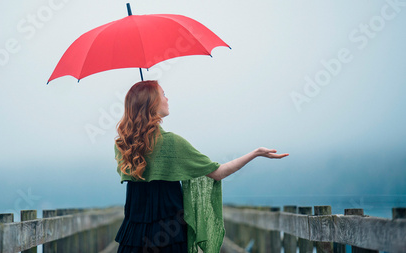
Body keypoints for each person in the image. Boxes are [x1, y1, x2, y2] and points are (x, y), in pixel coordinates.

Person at [114, 80, 288, 253]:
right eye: (163, 94)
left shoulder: (123, 146)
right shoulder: (172, 143)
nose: (168, 99)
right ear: (151, 102)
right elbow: (218, 173)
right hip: (170, 237)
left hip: (132, 237)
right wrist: (255, 153)